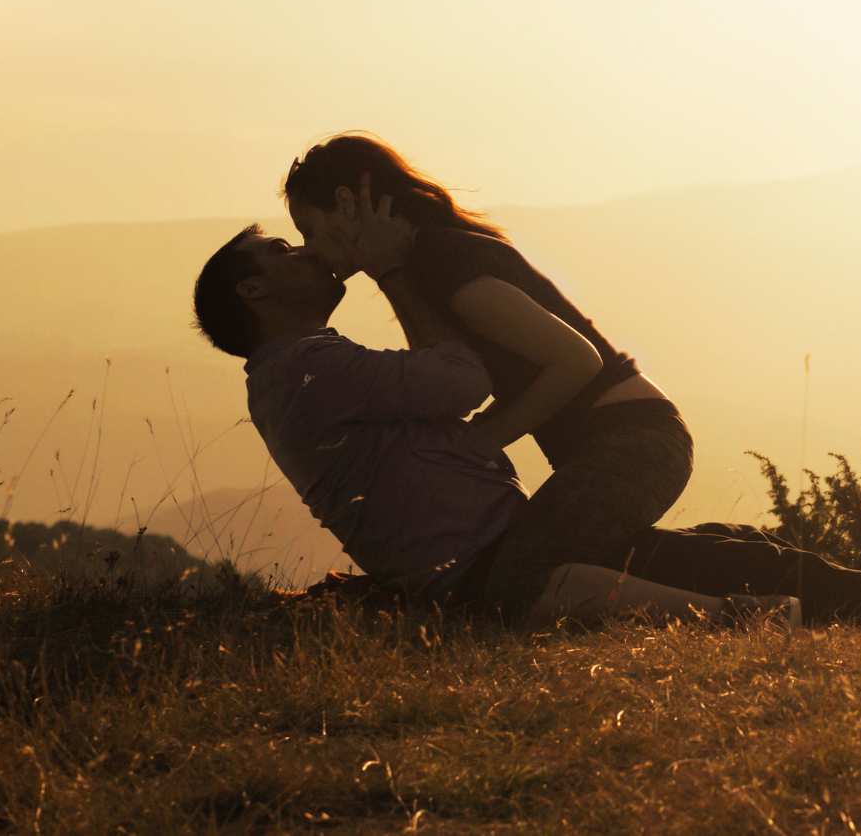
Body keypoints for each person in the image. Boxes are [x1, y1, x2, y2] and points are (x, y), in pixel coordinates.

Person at [192, 224, 861, 627]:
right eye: (284, 249)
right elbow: (457, 376)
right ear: (255, 289)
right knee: (746, 568)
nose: (308, 253)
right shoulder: (308, 366)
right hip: (502, 569)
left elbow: (446, 404)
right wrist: (396, 272)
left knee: (741, 545)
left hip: (507, 552)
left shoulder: (302, 371)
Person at [280, 135, 689, 624]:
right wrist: (390, 272)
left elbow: (577, 361)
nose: (310, 251)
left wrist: (483, 441)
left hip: (634, 440)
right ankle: (767, 566)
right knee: (580, 561)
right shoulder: (423, 259)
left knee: (520, 579)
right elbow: (443, 373)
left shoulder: (442, 257)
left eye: (309, 229)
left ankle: (735, 614)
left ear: (345, 204)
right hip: (625, 438)